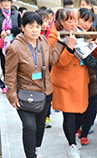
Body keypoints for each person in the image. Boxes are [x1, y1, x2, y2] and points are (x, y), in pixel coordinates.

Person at [5, 11, 65, 158]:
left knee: (39, 126)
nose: (35, 30)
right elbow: (10, 75)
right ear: (23, 27)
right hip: (25, 94)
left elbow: (51, 60)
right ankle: (31, 155)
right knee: (30, 126)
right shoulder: (15, 48)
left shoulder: (43, 41)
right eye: (31, 26)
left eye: (38, 26)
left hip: (44, 92)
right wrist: (12, 96)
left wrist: (61, 43)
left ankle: (36, 149)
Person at [48, 7, 88, 158]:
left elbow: (92, 54)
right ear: (61, 22)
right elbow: (59, 62)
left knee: (81, 115)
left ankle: (73, 135)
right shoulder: (54, 37)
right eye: (69, 20)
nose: (73, 24)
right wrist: (70, 46)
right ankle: (72, 144)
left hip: (81, 82)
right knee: (69, 116)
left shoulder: (83, 33)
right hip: (65, 83)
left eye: (75, 20)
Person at [76, 7, 97, 146]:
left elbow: (96, 55)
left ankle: (85, 132)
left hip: (92, 76)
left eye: (90, 21)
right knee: (80, 106)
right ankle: (78, 128)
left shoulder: (94, 34)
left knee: (92, 106)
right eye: (84, 20)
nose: (87, 24)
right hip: (77, 76)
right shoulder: (73, 34)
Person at [0, 0, 21, 93]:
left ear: (11, 3)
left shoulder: (16, 14)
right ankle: (6, 82)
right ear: (0, 3)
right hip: (2, 42)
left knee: (15, 62)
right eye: (4, 1)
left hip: (14, 41)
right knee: (4, 62)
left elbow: (20, 27)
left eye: (8, 1)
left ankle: (15, 82)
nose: (6, 3)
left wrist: (11, 30)